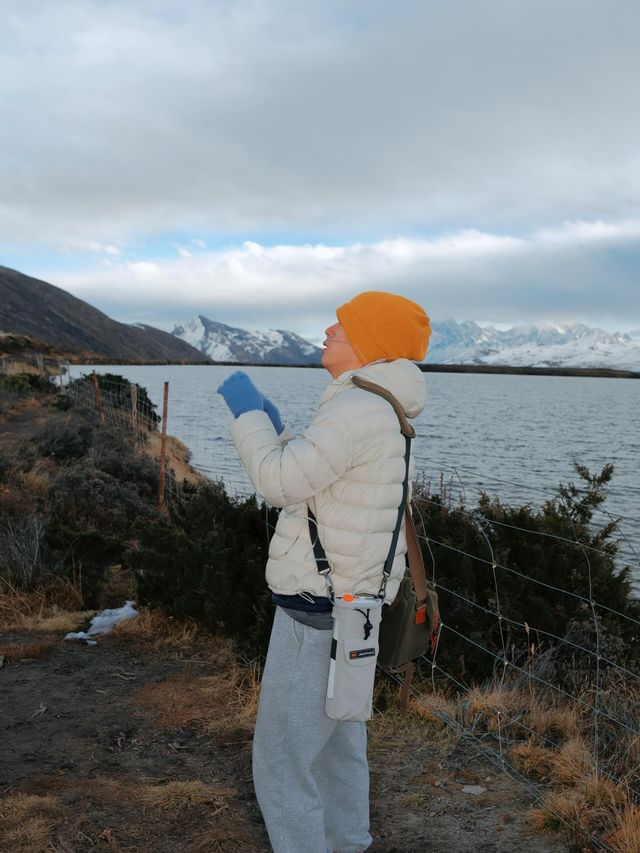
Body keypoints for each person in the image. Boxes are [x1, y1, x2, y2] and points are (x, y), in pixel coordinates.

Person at [217, 291, 431, 853]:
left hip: (315, 611)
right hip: (355, 610)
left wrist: (249, 417)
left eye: (343, 324)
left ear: (371, 342)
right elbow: (324, 485)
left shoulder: (355, 408)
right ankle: (348, 844)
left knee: (283, 760)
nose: (328, 331)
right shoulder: (382, 409)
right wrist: (282, 432)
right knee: (339, 747)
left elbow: (278, 483)